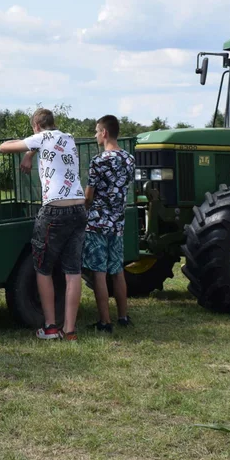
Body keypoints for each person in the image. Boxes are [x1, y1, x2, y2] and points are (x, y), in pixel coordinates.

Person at [0, 109, 87, 340]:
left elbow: (4, 148)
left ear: (36, 125)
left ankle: (49, 327)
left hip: (55, 208)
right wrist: (30, 152)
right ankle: (69, 330)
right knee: (72, 271)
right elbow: (49, 149)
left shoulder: (41, 137)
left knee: (43, 267)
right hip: (79, 207)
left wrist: (23, 145)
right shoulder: (68, 137)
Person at [83, 115, 136, 334]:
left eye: (96, 131)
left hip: (97, 223)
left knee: (99, 273)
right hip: (117, 223)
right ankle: (123, 316)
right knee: (118, 270)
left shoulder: (99, 161)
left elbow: (88, 197)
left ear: (104, 133)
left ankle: (105, 322)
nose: (95, 135)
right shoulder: (129, 159)